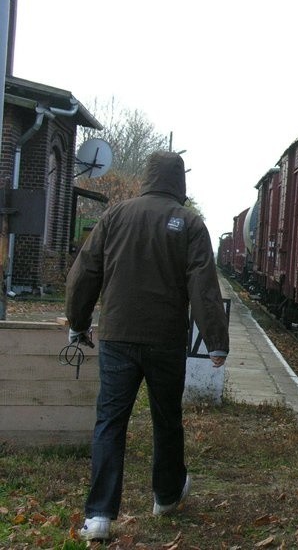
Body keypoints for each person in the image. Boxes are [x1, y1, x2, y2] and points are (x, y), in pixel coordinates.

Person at [65, 151, 230, 542]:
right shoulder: (189, 223)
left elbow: (86, 271)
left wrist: (77, 323)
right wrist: (216, 342)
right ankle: (166, 495)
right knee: (166, 418)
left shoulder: (115, 215)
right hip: (165, 340)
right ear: (179, 183)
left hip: (117, 336)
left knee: (110, 421)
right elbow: (203, 286)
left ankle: (100, 516)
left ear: (146, 177)